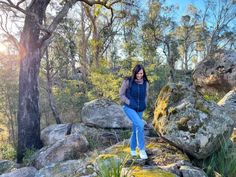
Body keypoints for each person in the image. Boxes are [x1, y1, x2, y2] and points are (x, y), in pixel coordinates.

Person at [119, 64, 149, 159]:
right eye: (138, 73)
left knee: (136, 128)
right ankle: (141, 149)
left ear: (143, 73)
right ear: (134, 72)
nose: (139, 75)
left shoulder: (145, 83)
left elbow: (146, 95)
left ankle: (132, 149)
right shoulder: (128, 81)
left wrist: (144, 104)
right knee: (140, 125)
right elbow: (121, 94)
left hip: (140, 109)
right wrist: (129, 102)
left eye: (141, 73)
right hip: (129, 107)